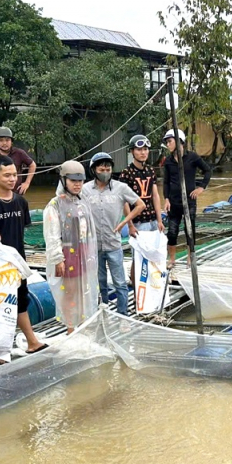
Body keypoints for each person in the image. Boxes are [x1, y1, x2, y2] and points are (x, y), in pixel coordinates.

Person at [0, 155, 47, 353]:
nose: (12, 179)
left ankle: (32, 342)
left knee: (21, 301)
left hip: (17, 263)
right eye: (7, 175)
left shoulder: (21, 202)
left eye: (15, 175)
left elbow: (20, 231)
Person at [82, 152, 145, 316]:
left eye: (108, 168)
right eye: (101, 169)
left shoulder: (120, 188)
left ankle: (123, 315)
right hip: (94, 245)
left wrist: (125, 222)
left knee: (120, 283)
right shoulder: (85, 189)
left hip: (113, 244)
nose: (105, 171)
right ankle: (103, 312)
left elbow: (140, 205)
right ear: (94, 170)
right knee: (100, 282)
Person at [43, 160, 99, 334]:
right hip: (67, 253)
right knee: (70, 291)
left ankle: (82, 323)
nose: (77, 184)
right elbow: (52, 234)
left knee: (84, 289)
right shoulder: (55, 204)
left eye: (80, 180)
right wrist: (57, 259)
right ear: (63, 180)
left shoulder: (83, 201)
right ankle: (70, 327)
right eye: (73, 180)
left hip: (84, 252)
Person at [161, 128, 212, 268]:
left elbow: (207, 170)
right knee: (172, 231)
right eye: (167, 142)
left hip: (189, 200)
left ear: (179, 141)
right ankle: (172, 260)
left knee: (190, 230)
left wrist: (201, 188)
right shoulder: (168, 161)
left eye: (170, 141)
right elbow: (166, 182)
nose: (168, 145)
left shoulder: (192, 157)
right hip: (174, 201)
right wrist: (166, 199)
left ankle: (190, 258)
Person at [119, 134, 164, 285]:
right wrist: (130, 225)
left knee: (154, 253)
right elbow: (124, 201)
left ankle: (152, 284)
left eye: (145, 149)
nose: (143, 152)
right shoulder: (126, 173)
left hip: (152, 219)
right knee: (137, 256)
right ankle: (135, 284)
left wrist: (159, 220)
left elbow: (155, 195)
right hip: (138, 222)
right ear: (132, 151)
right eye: (139, 150)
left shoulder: (150, 170)